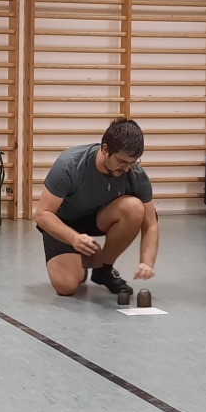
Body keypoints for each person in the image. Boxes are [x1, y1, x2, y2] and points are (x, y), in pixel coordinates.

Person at [35, 118, 159, 298]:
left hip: (99, 219)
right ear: (105, 149)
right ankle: (81, 259)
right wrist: (73, 238)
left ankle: (103, 269)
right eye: (121, 161)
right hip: (64, 222)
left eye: (132, 162)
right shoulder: (69, 164)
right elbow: (42, 214)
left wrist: (147, 263)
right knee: (66, 286)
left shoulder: (135, 173)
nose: (126, 169)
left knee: (134, 207)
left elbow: (151, 224)